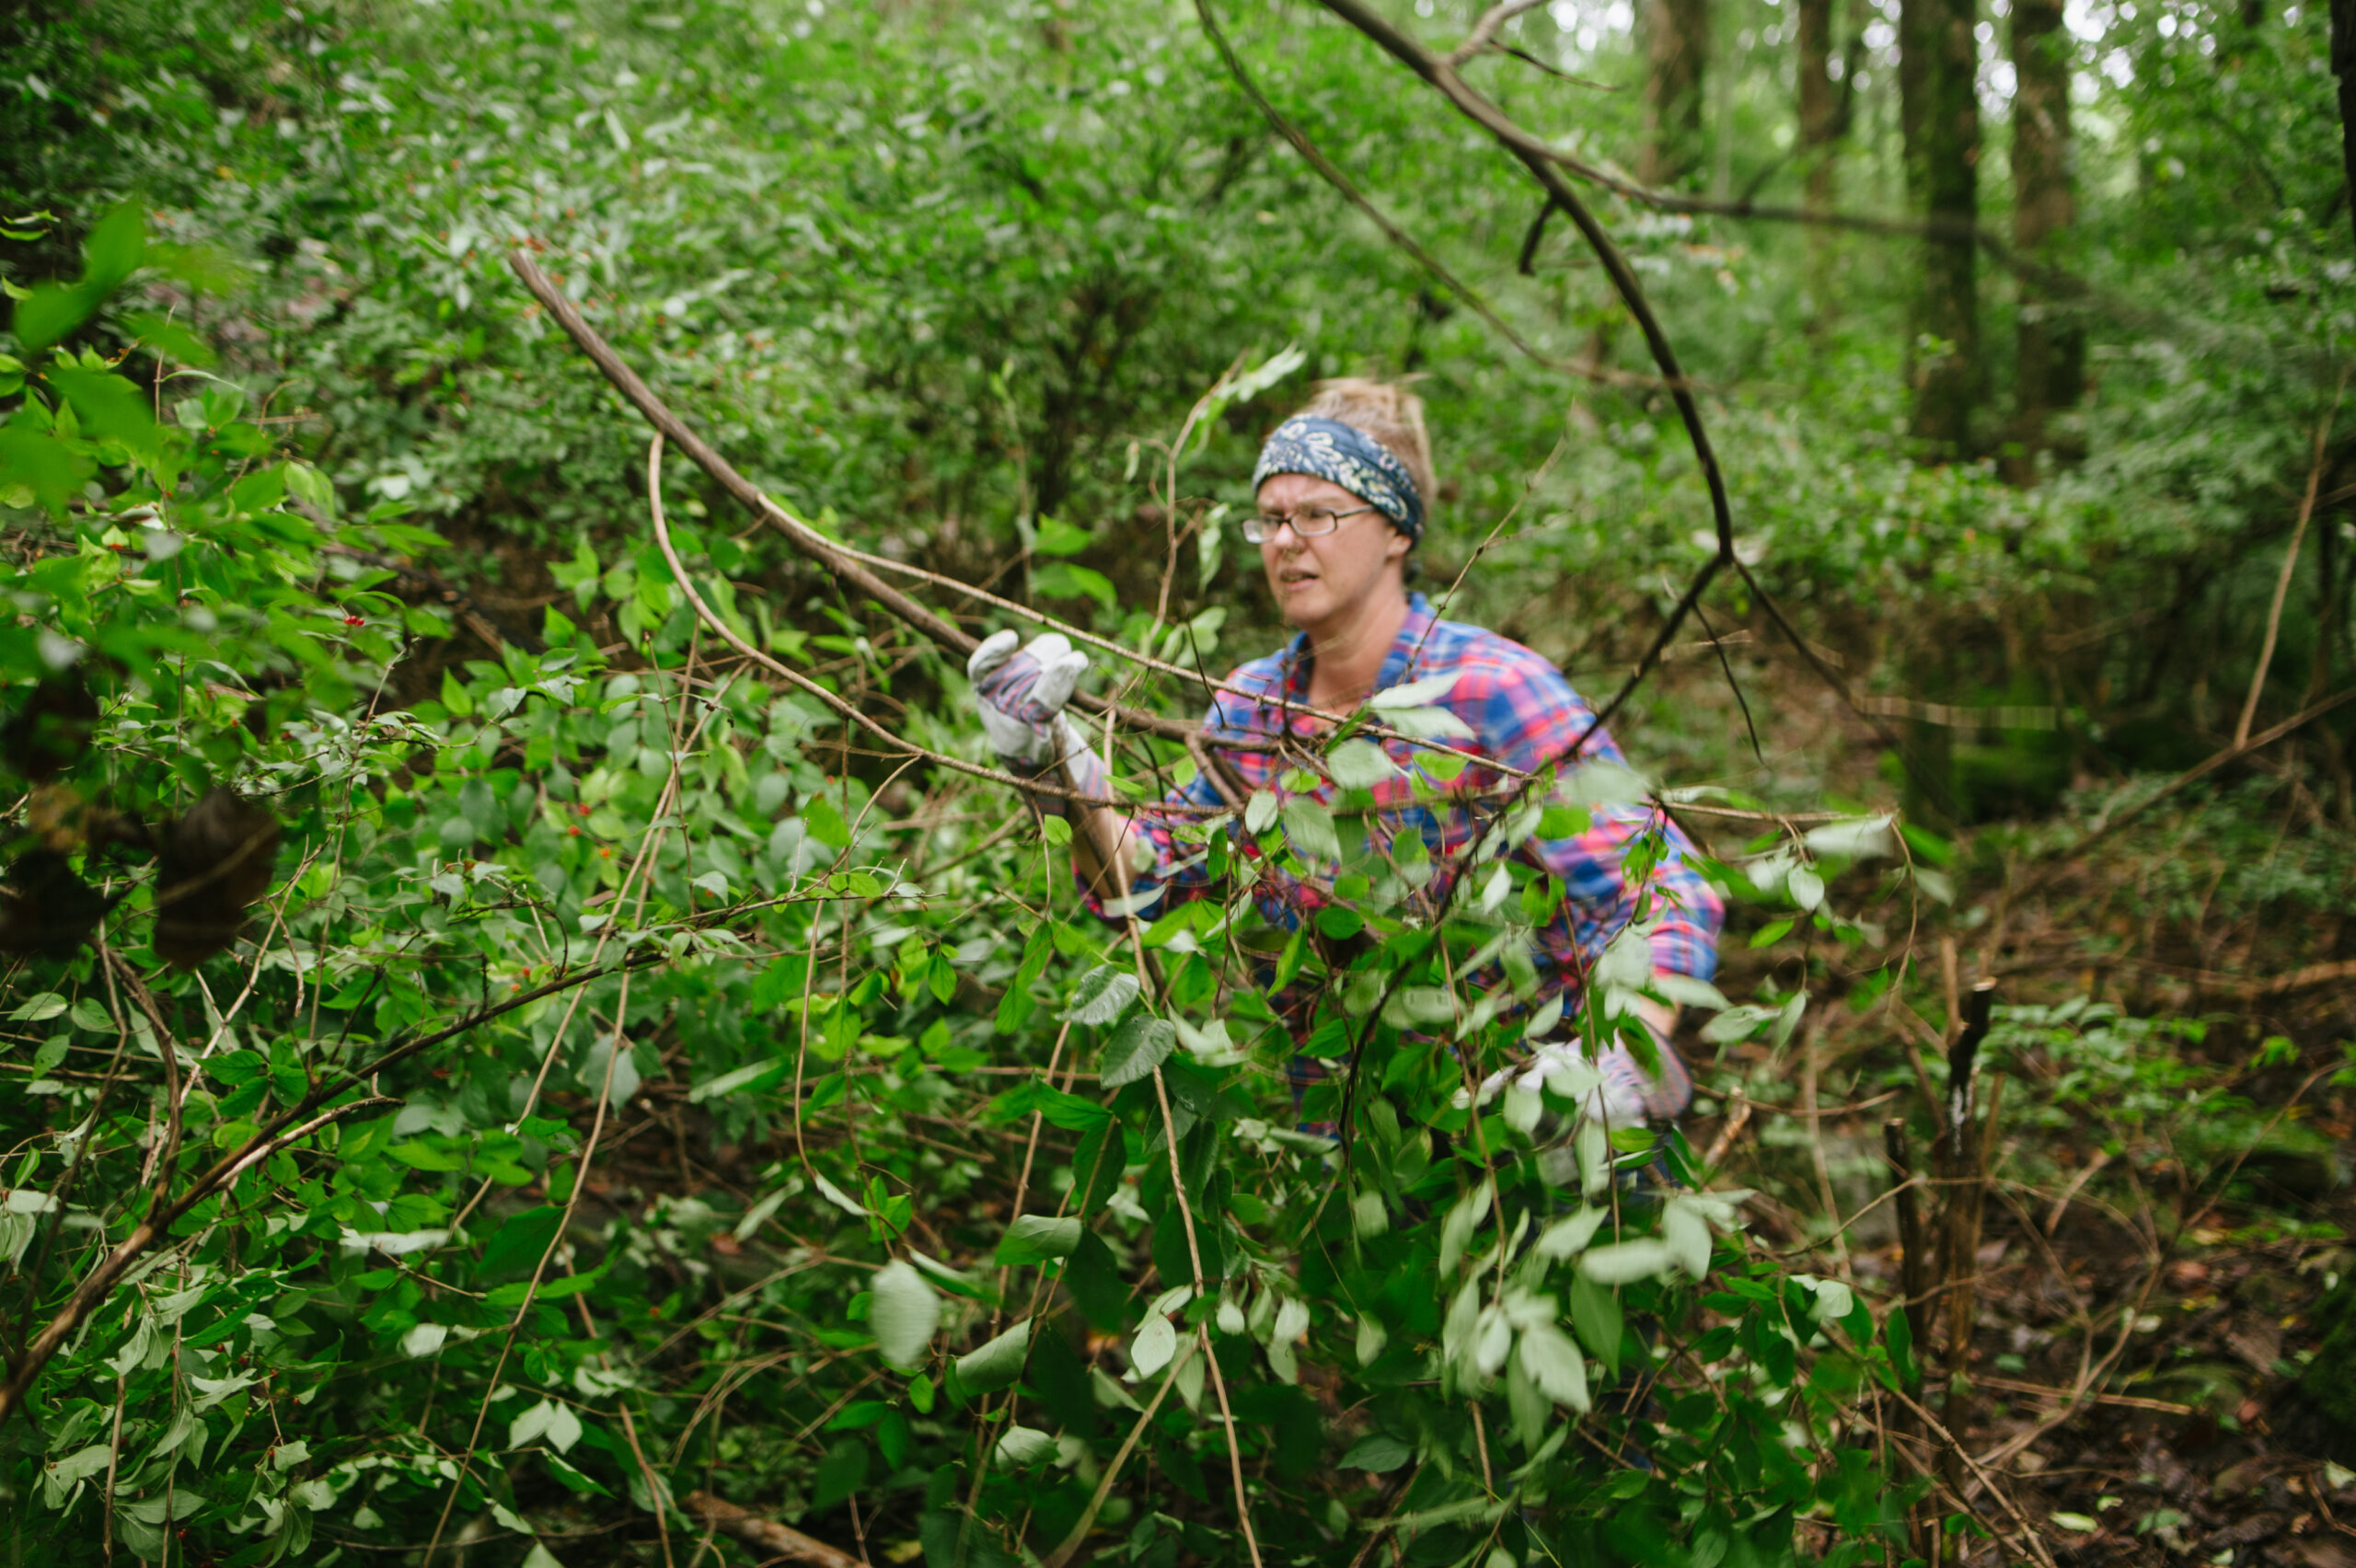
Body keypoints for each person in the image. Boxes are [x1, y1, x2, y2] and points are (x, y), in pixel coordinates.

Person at [966, 379, 1722, 1131]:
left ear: (1397, 529)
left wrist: (1625, 1066)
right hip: (1348, 1160)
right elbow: (1154, 878)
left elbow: (1663, 888)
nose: (1287, 540)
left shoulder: (1491, 694)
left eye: (1318, 514)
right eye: (1270, 520)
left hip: (1541, 1145)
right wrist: (1050, 763)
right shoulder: (1252, 711)